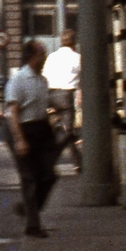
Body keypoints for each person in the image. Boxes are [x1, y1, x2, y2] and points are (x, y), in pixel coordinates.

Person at [6, 40, 59, 239]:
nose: (44, 58)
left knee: (49, 175)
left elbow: (44, 106)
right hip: (22, 128)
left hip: (41, 128)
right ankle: (33, 225)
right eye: (41, 54)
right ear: (31, 57)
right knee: (29, 177)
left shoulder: (42, 81)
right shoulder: (18, 80)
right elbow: (12, 113)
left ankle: (29, 208)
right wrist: (19, 140)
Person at [42, 29, 82, 171]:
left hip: (50, 95)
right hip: (66, 96)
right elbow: (83, 78)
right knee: (68, 131)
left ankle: (48, 159)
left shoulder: (52, 57)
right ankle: (77, 163)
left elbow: (44, 76)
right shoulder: (78, 57)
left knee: (52, 130)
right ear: (74, 41)